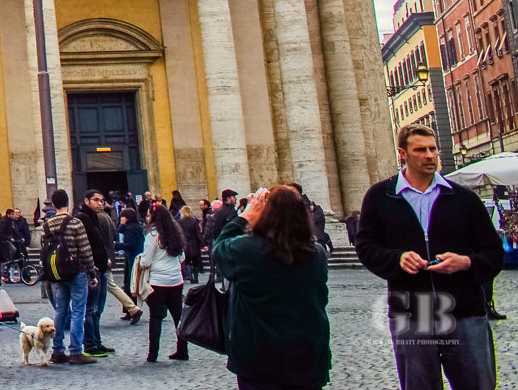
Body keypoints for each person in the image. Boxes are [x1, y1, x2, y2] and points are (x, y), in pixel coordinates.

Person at [355, 122, 504, 390]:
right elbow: (366, 246)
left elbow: (493, 253)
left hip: (465, 310)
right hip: (413, 312)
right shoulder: (380, 197)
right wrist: (396, 259)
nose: (430, 155)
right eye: (420, 150)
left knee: (478, 384)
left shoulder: (464, 198)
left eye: (433, 149)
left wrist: (466, 262)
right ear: (403, 153)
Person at [215, 186, 331, 389]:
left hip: (259, 356)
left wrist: (247, 215)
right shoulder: (317, 254)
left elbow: (220, 248)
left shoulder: (248, 251)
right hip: (308, 353)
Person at [38, 188, 97, 366]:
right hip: (76, 271)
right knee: (78, 311)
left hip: (57, 273)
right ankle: (76, 351)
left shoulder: (47, 225)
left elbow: (44, 250)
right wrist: (91, 272)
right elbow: (85, 249)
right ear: (68, 203)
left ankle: (57, 351)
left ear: (54, 205)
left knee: (60, 311)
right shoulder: (75, 223)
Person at [135, 201, 188, 363]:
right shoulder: (175, 234)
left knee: (156, 318)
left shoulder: (152, 237)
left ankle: (153, 354)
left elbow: (146, 262)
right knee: (178, 316)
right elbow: (182, 257)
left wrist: (140, 260)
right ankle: (183, 350)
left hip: (158, 281)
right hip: (175, 280)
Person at [76, 190, 117, 355]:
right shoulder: (82, 218)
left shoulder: (95, 218)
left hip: (102, 268)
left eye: (102, 200)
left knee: (97, 309)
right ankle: (90, 345)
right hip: (92, 270)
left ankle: (97, 342)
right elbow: (85, 245)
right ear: (87, 201)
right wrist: (91, 267)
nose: (100, 203)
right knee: (90, 309)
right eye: (96, 200)